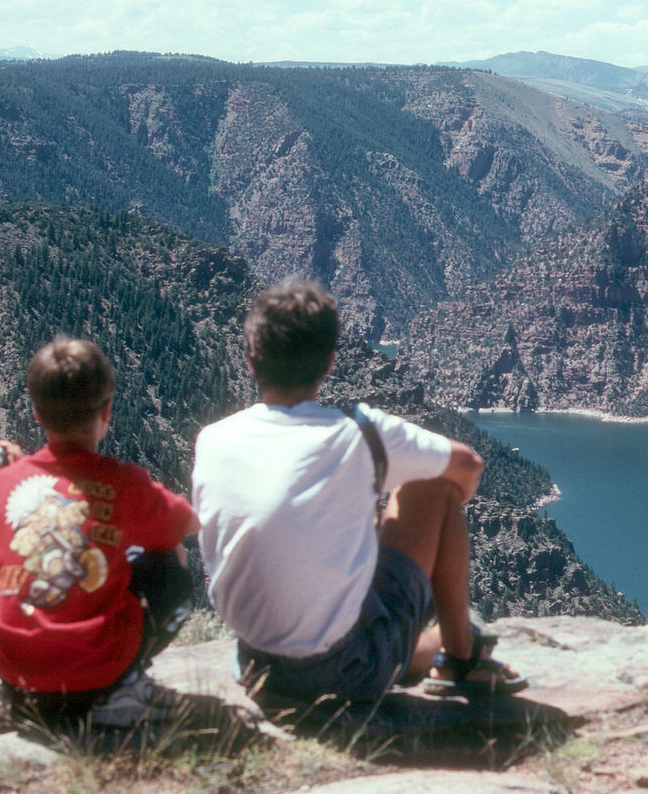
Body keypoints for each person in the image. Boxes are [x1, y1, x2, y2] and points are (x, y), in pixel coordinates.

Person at [191, 278, 525, 703]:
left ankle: (428, 641)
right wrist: (434, 531)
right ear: (330, 362)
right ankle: (460, 656)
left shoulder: (213, 438)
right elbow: (468, 466)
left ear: (252, 361)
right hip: (342, 674)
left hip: (253, 663)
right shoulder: (359, 434)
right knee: (432, 487)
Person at [0, 337, 198, 727]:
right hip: (96, 672)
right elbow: (186, 523)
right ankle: (123, 684)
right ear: (107, 412)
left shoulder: (6, 480)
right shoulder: (125, 483)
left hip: (15, 666)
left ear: (37, 413)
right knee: (171, 555)